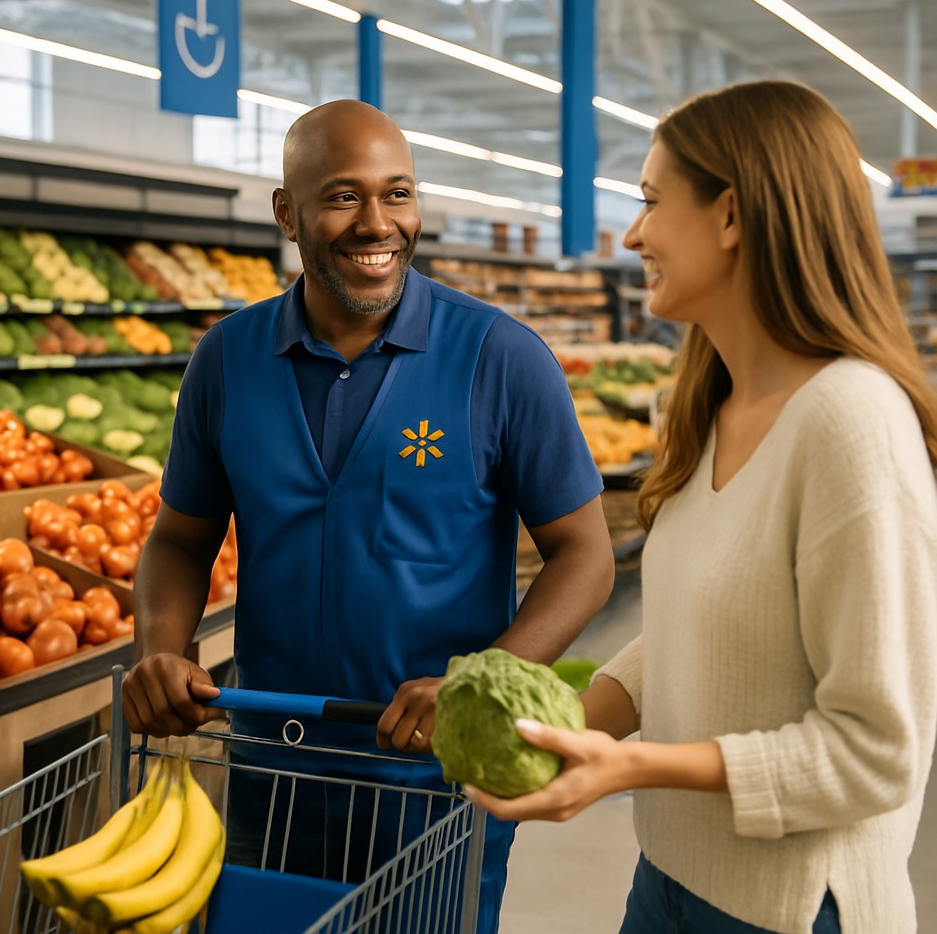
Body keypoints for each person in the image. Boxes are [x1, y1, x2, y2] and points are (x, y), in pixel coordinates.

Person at [121, 98, 615, 932]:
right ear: (288, 212)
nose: (377, 223)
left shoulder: (500, 359)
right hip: (272, 769)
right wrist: (161, 650)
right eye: (344, 196)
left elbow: (585, 556)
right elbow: (179, 535)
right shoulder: (227, 361)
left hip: (434, 786)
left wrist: (476, 682)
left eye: (399, 193)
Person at [468, 80, 937, 934]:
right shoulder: (712, 407)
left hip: (793, 908)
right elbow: (698, 625)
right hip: (670, 882)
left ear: (731, 216)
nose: (634, 234)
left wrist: (631, 764)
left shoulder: (851, 423)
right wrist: (553, 729)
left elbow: (877, 752)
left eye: (650, 201)